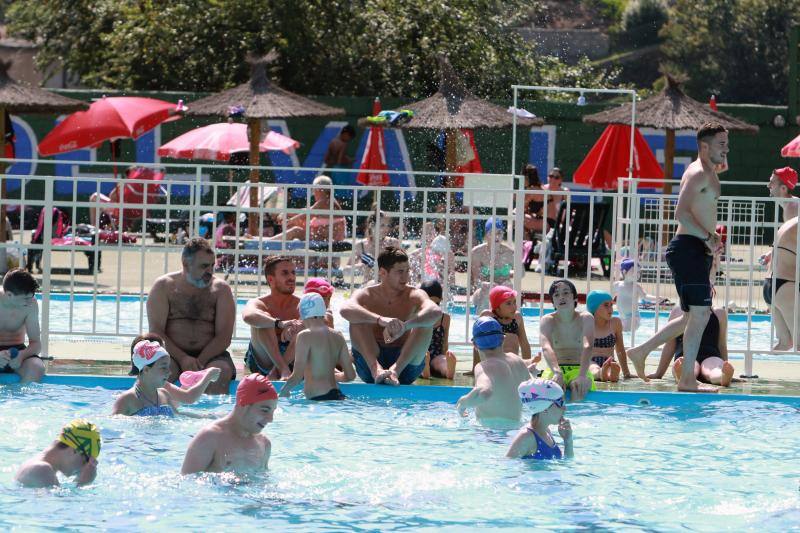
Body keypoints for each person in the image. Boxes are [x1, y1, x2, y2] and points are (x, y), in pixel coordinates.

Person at [630, 123, 727, 393]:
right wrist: (708, 238)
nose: (726, 150)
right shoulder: (697, 173)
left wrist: (710, 240)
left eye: (727, 144)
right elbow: (681, 213)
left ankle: (641, 350)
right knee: (700, 313)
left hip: (697, 249)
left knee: (690, 316)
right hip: (688, 248)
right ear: (704, 146)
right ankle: (687, 380)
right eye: (721, 144)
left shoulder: (708, 171)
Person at [340, 246, 442, 385]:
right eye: (400, 271)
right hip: (370, 367)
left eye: (407, 271)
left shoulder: (413, 294)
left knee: (425, 323)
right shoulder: (367, 294)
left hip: (405, 367)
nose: (406, 277)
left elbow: (435, 312)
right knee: (357, 317)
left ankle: (395, 371)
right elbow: (345, 309)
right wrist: (380, 320)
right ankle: (377, 370)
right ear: (383, 272)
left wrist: (405, 326)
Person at [147, 238, 236, 395]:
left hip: (211, 356)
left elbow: (224, 337)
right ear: (186, 264)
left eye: (212, 266)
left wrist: (199, 362)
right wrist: (183, 358)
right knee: (160, 373)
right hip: (172, 354)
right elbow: (156, 332)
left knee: (220, 373)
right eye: (203, 266)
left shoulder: (221, 290)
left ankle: (211, 416)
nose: (209, 271)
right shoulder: (163, 286)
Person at [181, 374, 277, 475]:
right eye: (265, 411)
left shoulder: (264, 444)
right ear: (243, 404)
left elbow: (263, 481)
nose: (270, 419)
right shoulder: (210, 438)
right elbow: (187, 482)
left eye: (273, 412)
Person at [111, 335, 222, 417]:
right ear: (146, 370)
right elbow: (112, 429)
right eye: (164, 367)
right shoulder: (127, 400)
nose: (169, 372)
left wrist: (208, 417)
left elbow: (179, 416)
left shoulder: (164, 395)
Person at [455, 317, 531, 425]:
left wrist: (463, 402)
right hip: (516, 430)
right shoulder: (517, 360)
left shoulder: (484, 367)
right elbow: (533, 390)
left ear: (475, 345)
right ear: (503, 338)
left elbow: (484, 393)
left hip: (490, 434)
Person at [279, 293, 356, 400]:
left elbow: (297, 376)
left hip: (318, 398)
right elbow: (351, 375)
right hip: (338, 395)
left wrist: (282, 392)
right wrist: (325, 376)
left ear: (303, 314)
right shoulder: (338, 335)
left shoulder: (304, 335)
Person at [242, 255, 302, 379]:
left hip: (292, 359)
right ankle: (283, 370)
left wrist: (299, 326)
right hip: (263, 361)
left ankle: (279, 370)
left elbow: (322, 321)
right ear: (271, 279)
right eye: (285, 273)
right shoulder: (259, 303)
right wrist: (280, 324)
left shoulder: (301, 304)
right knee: (263, 322)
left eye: (293, 272)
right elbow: (248, 316)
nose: (291, 277)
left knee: (305, 326)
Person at [644, 305, 734, 387]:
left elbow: (721, 344)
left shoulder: (719, 313)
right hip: (686, 355)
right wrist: (659, 373)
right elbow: (670, 344)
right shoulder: (678, 311)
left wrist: (725, 365)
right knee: (690, 366)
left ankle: (722, 376)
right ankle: (682, 375)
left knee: (714, 369)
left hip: (711, 356)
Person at [539, 279, 594, 402]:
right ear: (553, 301)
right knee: (554, 389)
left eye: (565, 293)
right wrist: (557, 373)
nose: (561, 297)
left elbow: (588, 345)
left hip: (580, 368)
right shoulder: (547, 321)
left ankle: (576, 420)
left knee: (577, 387)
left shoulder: (585, 318)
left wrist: (582, 375)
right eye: (556, 295)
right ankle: (557, 421)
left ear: (575, 298)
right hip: (555, 369)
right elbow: (546, 347)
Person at [15, 419, 100, 488]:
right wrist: (83, 483)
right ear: (74, 451)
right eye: (87, 461)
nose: (84, 468)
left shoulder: (38, 465)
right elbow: (58, 508)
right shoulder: (42, 469)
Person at [506, 379, 573, 460]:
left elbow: (566, 464)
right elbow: (507, 466)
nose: (565, 408)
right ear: (544, 408)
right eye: (560, 403)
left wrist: (568, 440)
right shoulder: (526, 437)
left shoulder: (546, 431)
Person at [269, 175, 347, 243]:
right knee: (295, 226)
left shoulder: (325, 201)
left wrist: (289, 220)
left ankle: (267, 243)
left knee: (296, 230)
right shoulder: (327, 201)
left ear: (319, 189)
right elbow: (305, 211)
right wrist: (287, 213)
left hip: (328, 240)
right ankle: (272, 244)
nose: (313, 193)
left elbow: (306, 214)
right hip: (325, 238)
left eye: (314, 189)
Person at [472, 286, 532, 372]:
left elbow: (524, 344)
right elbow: (477, 342)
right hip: (491, 364)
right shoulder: (488, 317)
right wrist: (474, 367)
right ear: (497, 307)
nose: (514, 306)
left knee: (512, 337)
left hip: (511, 365)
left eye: (514, 302)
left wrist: (528, 366)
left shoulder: (517, 318)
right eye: (508, 303)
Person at [0, 269, 44, 383]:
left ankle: (19, 398)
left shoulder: (31, 305)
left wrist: (22, 355)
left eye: (31, 297)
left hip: (17, 351)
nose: (30, 301)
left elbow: (36, 344)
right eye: (26, 298)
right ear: (9, 294)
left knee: (37, 368)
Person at [765, 216, 799, 350]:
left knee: (785, 344)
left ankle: (757, 367)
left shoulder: (791, 223)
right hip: (786, 287)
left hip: (769, 285)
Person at [470, 217, 515, 313]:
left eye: (499, 233)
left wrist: (509, 275)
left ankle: (508, 322)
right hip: (483, 291)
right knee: (487, 291)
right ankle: (483, 321)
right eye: (492, 233)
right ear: (486, 235)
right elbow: (476, 280)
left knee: (508, 288)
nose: (496, 237)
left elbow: (521, 273)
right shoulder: (477, 252)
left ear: (503, 234)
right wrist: (485, 284)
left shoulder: (509, 253)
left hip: (504, 290)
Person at [612, 258, 667, 332]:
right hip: (622, 316)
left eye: (638, 272)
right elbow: (612, 297)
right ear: (624, 272)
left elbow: (645, 296)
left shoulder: (636, 287)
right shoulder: (617, 285)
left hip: (633, 317)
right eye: (634, 271)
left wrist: (657, 298)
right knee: (619, 332)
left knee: (622, 332)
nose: (637, 274)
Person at [586, 290, 628, 381]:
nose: (611, 309)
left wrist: (626, 373)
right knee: (592, 368)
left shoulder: (615, 323)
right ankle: (601, 373)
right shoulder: (587, 323)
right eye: (606, 305)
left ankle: (609, 375)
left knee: (611, 367)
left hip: (609, 361)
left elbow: (620, 349)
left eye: (611, 305)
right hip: (590, 360)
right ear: (594, 307)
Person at [419, 280, 457, 380]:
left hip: (437, 356)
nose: (433, 306)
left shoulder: (445, 318)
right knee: (418, 360)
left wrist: (446, 356)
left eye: (436, 303)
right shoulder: (416, 317)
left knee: (442, 361)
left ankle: (448, 371)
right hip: (419, 353)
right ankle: (424, 371)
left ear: (441, 300)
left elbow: (444, 344)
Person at [349, 210, 401, 283]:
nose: (386, 229)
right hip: (369, 288)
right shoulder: (360, 246)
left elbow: (405, 266)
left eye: (388, 225)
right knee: (372, 283)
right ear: (371, 225)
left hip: (390, 286)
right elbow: (346, 270)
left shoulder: (393, 243)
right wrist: (358, 267)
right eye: (382, 225)